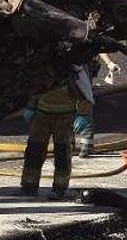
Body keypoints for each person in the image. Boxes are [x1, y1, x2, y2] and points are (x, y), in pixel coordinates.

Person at [21, 66, 93, 200]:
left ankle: (59, 188)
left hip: (65, 117)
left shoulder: (74, 71)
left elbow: (85, 93)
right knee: (34, 151)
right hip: (42, 114)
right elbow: (34, 89)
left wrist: (82, 115)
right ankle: (29, 185)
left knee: (62, 154)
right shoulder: (43, 68)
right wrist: (31, 106)